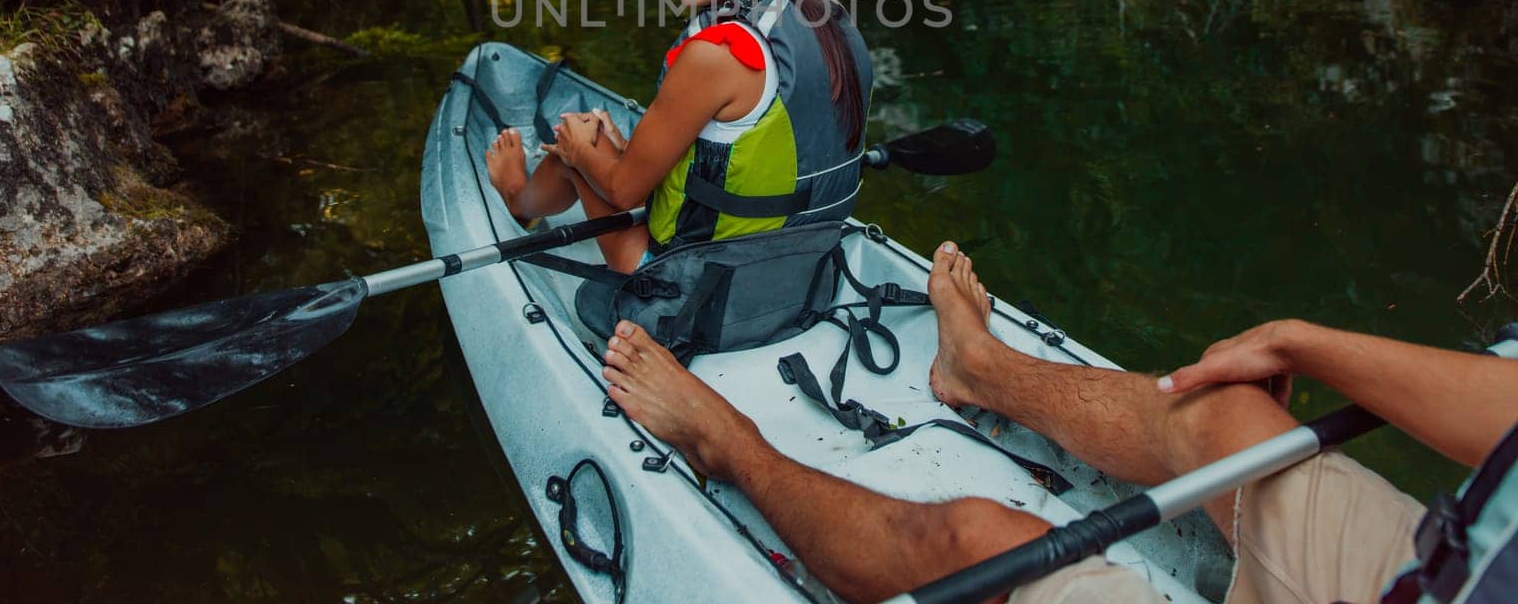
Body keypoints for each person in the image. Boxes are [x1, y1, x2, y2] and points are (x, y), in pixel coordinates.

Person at [599, 241, 1518, 604]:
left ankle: (734, 449)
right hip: (1430, 573)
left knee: (978, 539)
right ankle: (981, 368)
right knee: (1221, 410)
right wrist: (1297, 341)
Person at [483, 0, 873, 273]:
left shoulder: (716, 54)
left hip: (699, 280)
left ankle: (518, 198)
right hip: (800, 271)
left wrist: (579, 149)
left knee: (578, 141)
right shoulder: (827, 18)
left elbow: (622, 191)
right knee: (609, 145)